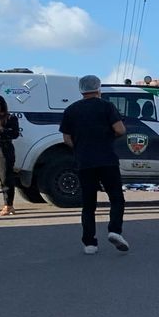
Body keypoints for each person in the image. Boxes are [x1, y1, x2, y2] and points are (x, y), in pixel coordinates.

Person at [59, 74, 129, 255]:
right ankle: (114, 230)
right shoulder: (107, 106)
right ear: (98, 88)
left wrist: (81, 145)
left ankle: (90, 243)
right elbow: (120, 129)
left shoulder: (71, 110)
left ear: (81, 90)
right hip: (107, 159)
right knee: (116, 198)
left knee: (88, 204)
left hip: (84, 161)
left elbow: (66, 138)